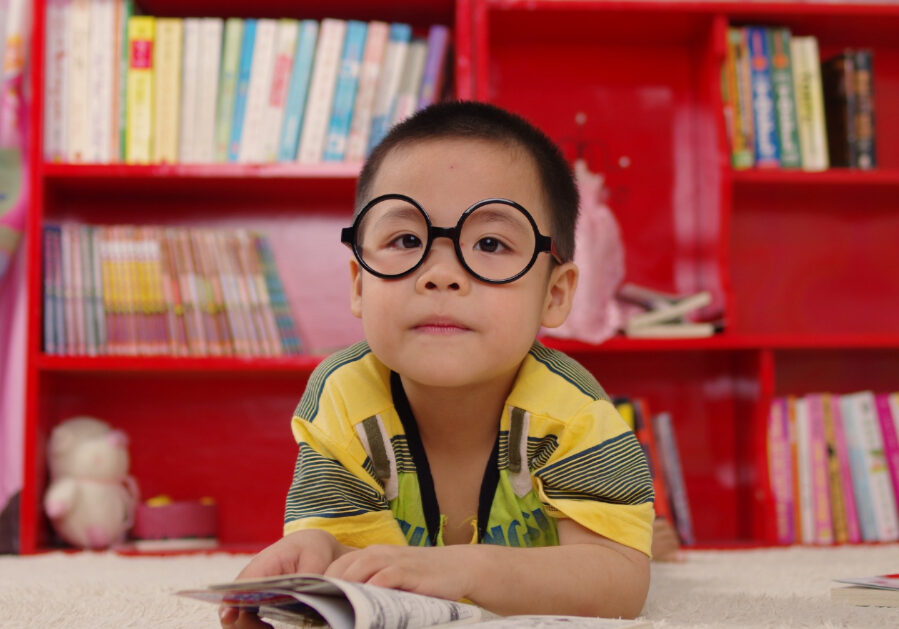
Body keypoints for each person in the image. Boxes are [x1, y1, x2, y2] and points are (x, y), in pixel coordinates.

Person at [221, 101, 655, 628]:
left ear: (554, 294)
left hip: (567, 535)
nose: (442, 275)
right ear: (359, 284)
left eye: (490, 243)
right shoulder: (343, 397)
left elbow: (620, 583)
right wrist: (313, 551)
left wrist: (465, 569)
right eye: (406, 240)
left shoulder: (573, 411)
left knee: (641, 543)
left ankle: (652, 527)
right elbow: (355, 561)